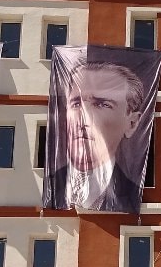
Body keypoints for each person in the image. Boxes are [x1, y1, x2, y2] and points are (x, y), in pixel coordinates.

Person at [60, 58, 149, 213]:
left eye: (102, 104)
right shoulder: (49, 185)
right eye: (76, 104)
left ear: (132, 123)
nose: (84, 117)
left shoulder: (130, 193)